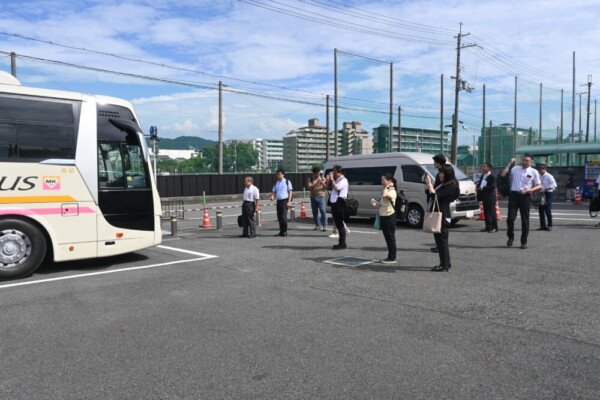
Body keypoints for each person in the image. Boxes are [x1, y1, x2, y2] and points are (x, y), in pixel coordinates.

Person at [501, 154, 541, 249]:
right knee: (510, 218)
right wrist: (510, 163)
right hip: (514, 195)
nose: (524, 162)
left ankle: (524, 242)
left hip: (525, 196)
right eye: (523, 160)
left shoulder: (534, 172)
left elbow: (538, 185)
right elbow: (503, 174)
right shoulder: (515, 169)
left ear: (531, 162)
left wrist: (530, 190)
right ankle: (510, 237)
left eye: (527, 160)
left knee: (525, 219)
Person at [425, 164, 459, 272]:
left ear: (448, 174)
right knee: (440, 240)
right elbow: (431, 195)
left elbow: (435, 196)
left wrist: (429, 184)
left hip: (442, 215)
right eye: (439, 173)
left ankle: (444, 265)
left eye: (442, 173)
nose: (440, 175)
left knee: (442, 241)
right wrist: (429, 187)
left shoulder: (450, 185)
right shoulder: (443, 184)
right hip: (439, 214)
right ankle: (446, 263)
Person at [372, 173, 397, 263]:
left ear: (389, 181)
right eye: (381, 180)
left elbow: (385, 195)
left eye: (383, 180)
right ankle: (390, 256)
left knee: (390, 237)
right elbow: (383, 203)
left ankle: (392, 257)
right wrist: (377, 204)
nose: (382, 182)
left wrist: (388, 186)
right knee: (387, 237)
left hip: (389, 216)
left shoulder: (392, 191)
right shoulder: (385, 190)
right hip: (383, 215)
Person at [327, 165, 348, 250]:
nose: (333, 173)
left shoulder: (343, 180)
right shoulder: (337, 180)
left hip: (339, 203)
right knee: (338, 224)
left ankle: (342, 243)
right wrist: (328, 180)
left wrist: (332, 179)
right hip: (334, 204)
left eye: (334, 171)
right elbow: (329, 188)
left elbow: (336, 188)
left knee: (340, 224)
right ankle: (341, 243)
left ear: (339, 172)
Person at [429, 154, 447, 253]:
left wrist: (431, 187)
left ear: (439, 162)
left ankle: (440, 246)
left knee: (439, 227)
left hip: (439, 201)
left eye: (435, 162)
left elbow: (438, 187)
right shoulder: (442, 171)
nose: (433, 164)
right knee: (438, 227)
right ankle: (439, 245)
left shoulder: (442, 172)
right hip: (439, 201)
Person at [476, 162, 498, 233]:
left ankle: (494, 227)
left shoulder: (492, 177)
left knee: (492, 213)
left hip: (490, 197)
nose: (483, 168)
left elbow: (492, 187)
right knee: (486, 213)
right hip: (484, 197)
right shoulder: (483, 175)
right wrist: (477, 188)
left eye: (484, 167)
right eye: (483, 166)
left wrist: (483, 189)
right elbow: (480, 183)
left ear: (488, 168)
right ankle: (488, 226)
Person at [270, 169, 293, 237]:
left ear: (283, 174)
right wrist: (272, 196)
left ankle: (285, 231)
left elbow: (290, 192)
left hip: (285, 200)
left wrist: (289, 202)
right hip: (279, 201)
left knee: (283, 217)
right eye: (277, 174)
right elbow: (274, 192)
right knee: (279, 217)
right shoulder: (276, 182)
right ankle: (281, 231)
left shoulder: (287, 181)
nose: (278, 175)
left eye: (279, 174)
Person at [536, 165, 557, 232]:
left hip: (548, 193)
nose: (539, 171)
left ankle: (549, 225)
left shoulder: (549, 176)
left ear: (544, 169)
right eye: (538, 169)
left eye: (540, 169)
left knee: (547, 210)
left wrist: (545, 190)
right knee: (540, 210)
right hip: (540, 193)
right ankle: (542, 225)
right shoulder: (539, 175)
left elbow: (554, 185)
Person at [308, 167, 327, 231]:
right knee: (315, 212)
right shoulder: (310, 179)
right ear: (314, 173)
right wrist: (316, 183)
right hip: (313, 197)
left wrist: (323, 183)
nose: (318, 174)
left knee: (323, 211)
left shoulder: (322, 178)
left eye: (319, 173)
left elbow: (326, 187)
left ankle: (324, 225)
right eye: (317, 173)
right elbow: (310, 187)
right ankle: (317, 225)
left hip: (321, 196)